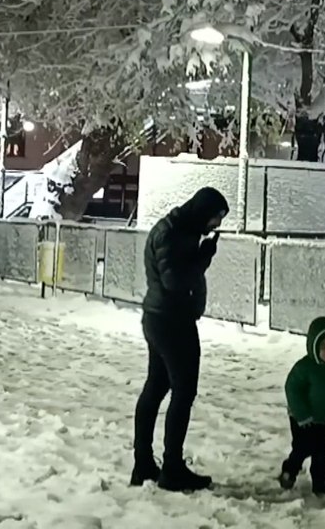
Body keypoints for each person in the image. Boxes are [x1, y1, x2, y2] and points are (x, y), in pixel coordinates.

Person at [130, 187, 229, 492]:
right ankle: (171, 467)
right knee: (183, 392)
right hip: (171, 322)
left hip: (163, 318)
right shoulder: (172, 234)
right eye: (215, 218)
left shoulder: (180, 230)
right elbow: (175, 280)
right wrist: (203, 258)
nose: (216, 226)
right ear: (202, 211)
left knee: (157, 388)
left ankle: (144, 464)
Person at [277, 316, 325, 495]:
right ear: (315, 347)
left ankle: (320, 480)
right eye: (324, 347)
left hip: (321, 419)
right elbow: (292, 388)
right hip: (301, 419)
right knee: (302, 448)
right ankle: (289, 472)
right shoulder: (305, 368)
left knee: (322, 451)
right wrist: (301, 414)